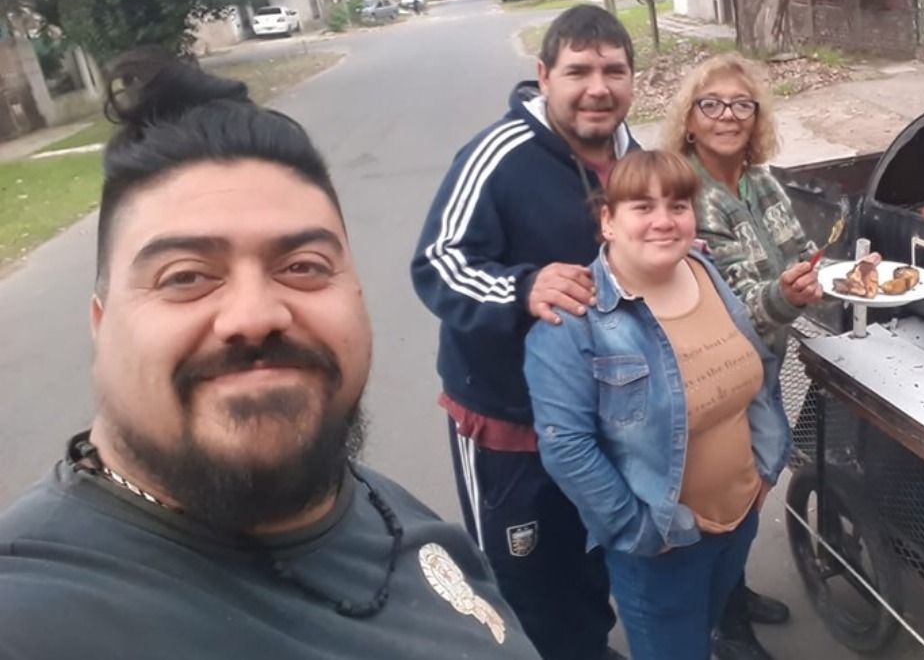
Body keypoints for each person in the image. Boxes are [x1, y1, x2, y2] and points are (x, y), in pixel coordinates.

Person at [0, 49, 539, 660]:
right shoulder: (33, 611)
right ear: (102, 324)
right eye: (186, 276)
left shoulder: (388, 511)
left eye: (303, 268)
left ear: (358, 299)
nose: (256, 316)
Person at [410, 4, 636, 660]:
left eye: (614, 70)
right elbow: (439, 264)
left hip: (597, 416)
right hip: (507, 420)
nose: (598, 86)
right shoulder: (497, 155)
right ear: (544, 76)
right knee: (523, 580)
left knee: (590, 555)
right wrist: (521, 287)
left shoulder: (632, 153)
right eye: (579, 70)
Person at [523, 150, 792, 660]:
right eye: (642, 207)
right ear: (608, 220)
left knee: (705, 629)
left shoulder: (704, 272)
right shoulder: (574, 320)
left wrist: (764, 470)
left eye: (678, 205)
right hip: (664, 547)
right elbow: (567, 448)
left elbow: (757, 367)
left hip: (739, 517)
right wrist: (640, 532)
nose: (664, 221)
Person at [661, 52, 823, 660]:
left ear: (756, 119)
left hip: (766, 363)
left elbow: (798, 249)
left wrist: (820, 273)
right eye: (712, 104)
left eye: (741, 105)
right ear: (690, 120)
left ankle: (732, 592)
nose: (728, 115)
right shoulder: (680, 193)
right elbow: (715, 302)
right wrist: (785, 295)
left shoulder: (761, 181)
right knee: (716, 499)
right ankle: (722, 623)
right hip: (711, 375)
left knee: (753, 486)